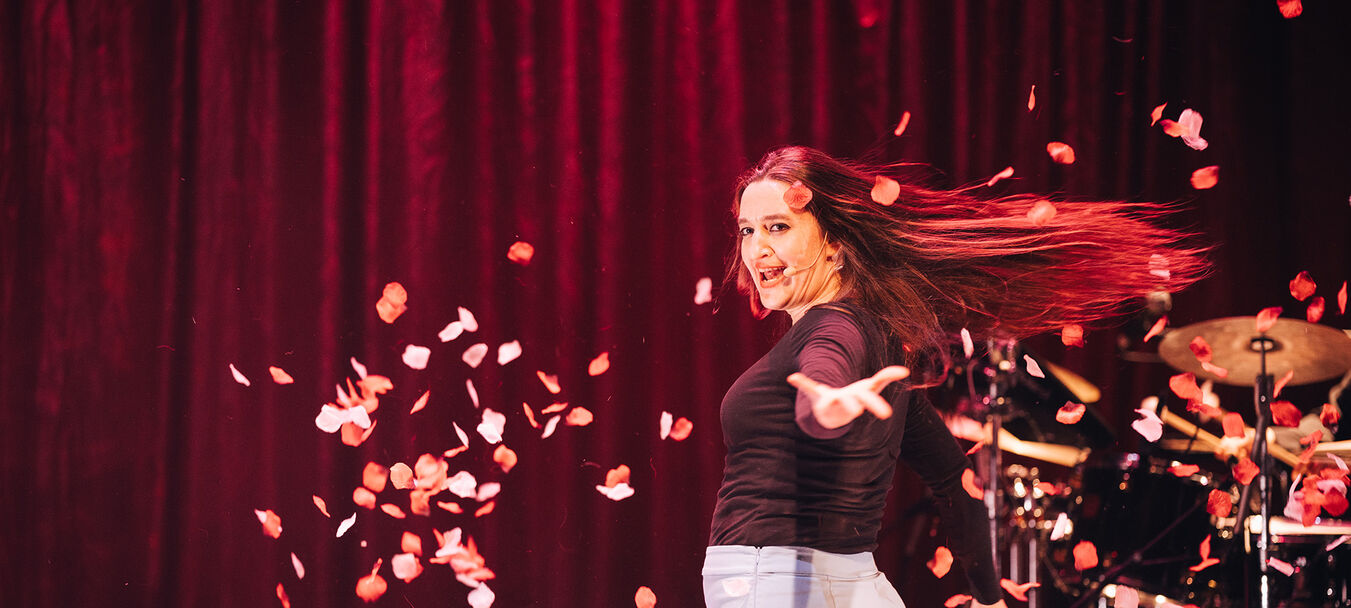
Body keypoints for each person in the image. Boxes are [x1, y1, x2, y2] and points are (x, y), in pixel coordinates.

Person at [703, 146, 1209, 607]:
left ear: (835, 244)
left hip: (777, 582)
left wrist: (826, 405)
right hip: (849, 584)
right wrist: (989, 596)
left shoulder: (834, 328)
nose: (756, 249)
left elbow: (826, 373)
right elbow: (954, 477)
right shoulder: (875, 336)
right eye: (748, 230)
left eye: (777, 227)